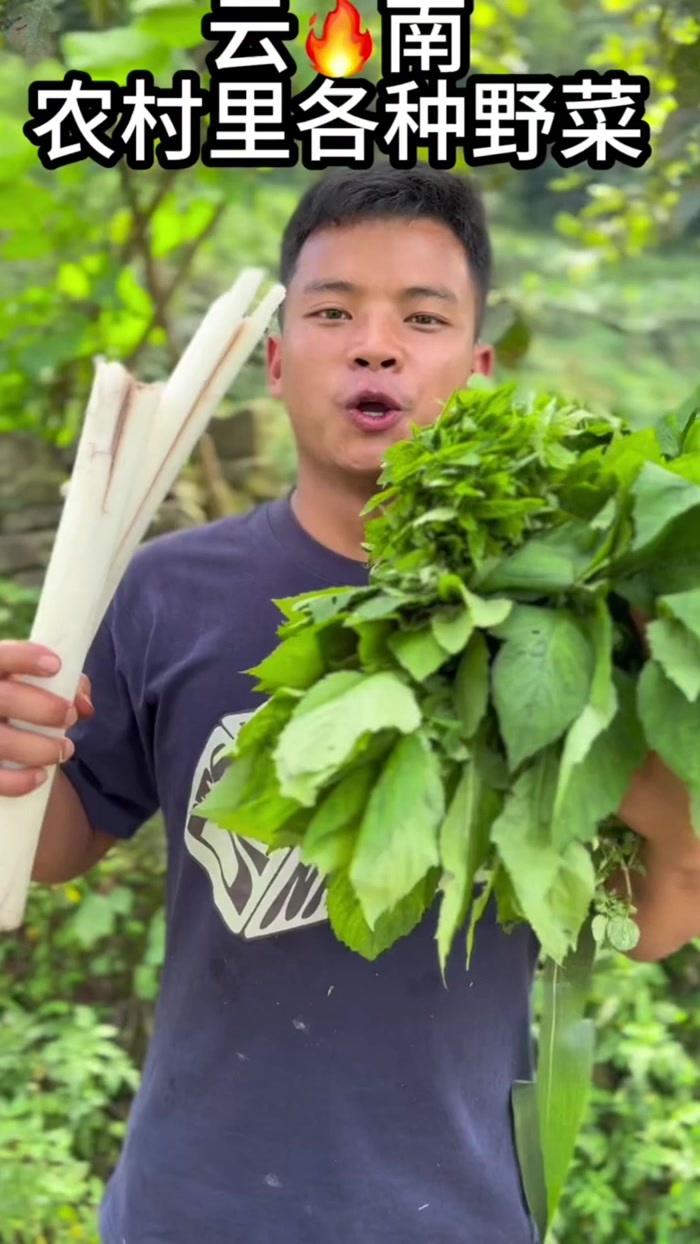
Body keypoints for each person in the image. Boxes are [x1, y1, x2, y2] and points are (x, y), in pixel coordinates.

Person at [0, 166, 542, 1244]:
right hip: (190, 1205)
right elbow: (53, 846)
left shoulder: (550, 616)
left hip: (454, 1213)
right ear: (275, 361)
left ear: (475, 371)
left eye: (421, 318)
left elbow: (658, 913)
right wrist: (13, 756)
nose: (375, 344)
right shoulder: (166, 588)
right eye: (333, 311)